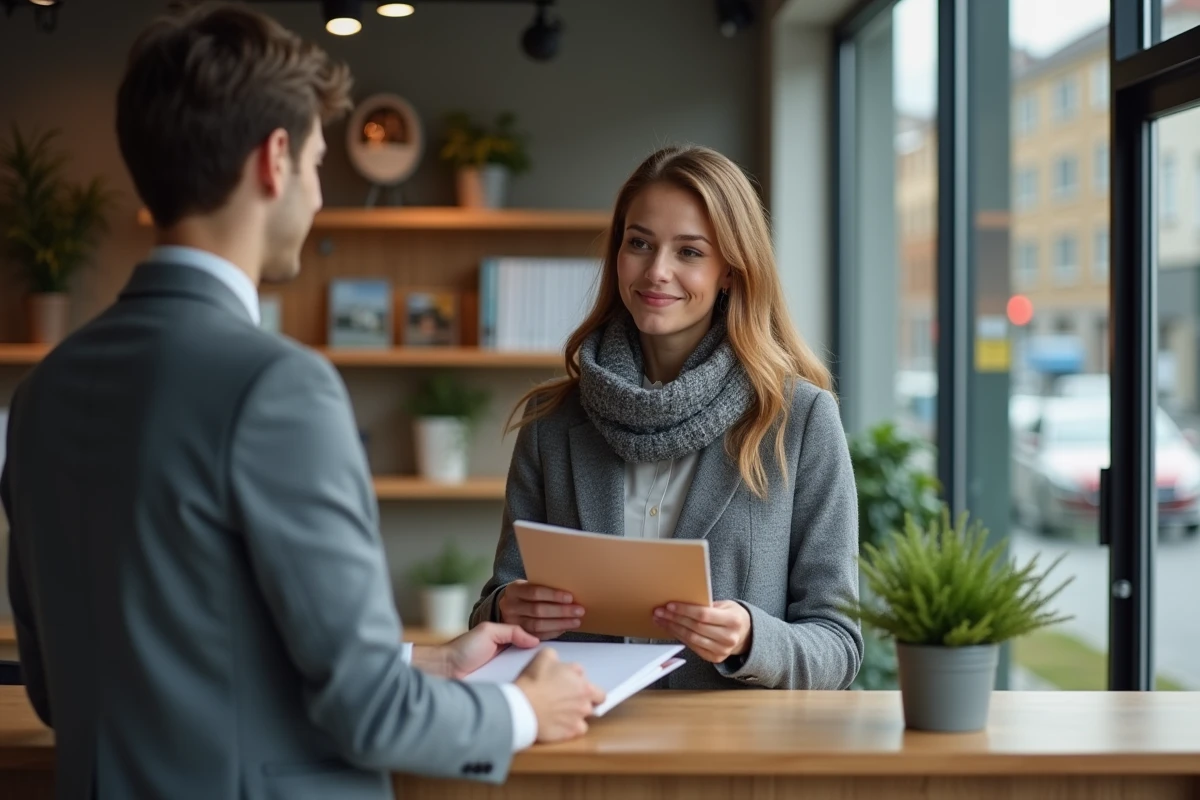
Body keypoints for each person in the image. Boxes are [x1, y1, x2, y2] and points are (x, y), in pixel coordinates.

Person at [0, 5, 602, 799]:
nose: (318, 194)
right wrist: (523, 711)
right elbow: (370, 716)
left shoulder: (43, 391)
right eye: (319, 163)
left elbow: (65, 682)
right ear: (274, 160)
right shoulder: (279, 388)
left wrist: (421, 659)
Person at [470, 145, 863, 691]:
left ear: (730, 270)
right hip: (580, 745)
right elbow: (497, 609)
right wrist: (506, 609)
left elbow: (839, 645)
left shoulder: (799, 421)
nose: (657, 272)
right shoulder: (553, 423)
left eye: (690, 252)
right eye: (639, 244)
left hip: (728, 759)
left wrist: (752, 638)